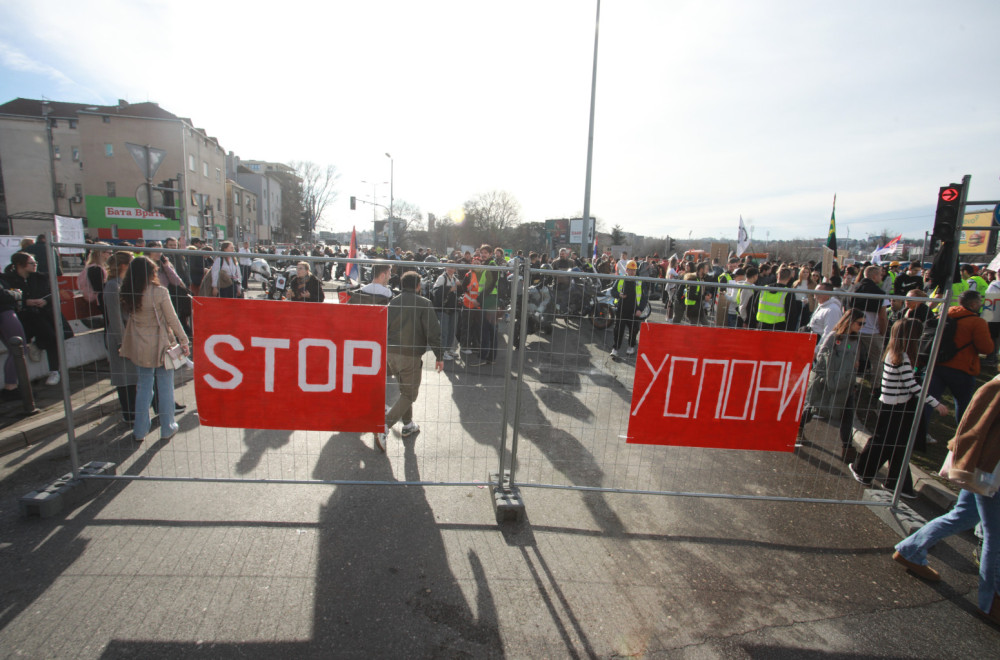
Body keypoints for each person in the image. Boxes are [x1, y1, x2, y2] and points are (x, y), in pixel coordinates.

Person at [892, 374, 1000, 624]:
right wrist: (966, 461)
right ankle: (992, 602)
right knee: (995, 534)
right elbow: (975, 419)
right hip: (988, 471)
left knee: (965, 516)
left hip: (986, 469)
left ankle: (911, 550)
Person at [850, 319, 949, 498]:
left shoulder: (896, 353)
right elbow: (912, 386)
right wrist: (936, 403)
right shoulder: (901, 358)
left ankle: (894, 482)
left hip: (895, 404)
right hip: (895, 406)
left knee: (894, 444)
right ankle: (866, 471)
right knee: (887, 443)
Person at [118, 256, 190, 443]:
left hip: (139, 345)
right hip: (161, 344)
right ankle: (167, 426)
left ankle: (140, 430)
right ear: (150, 273)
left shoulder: (128, 292)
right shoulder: (159, 292)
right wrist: (183, 340)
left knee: (143, 388)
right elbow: (172, 318)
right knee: (165, 387)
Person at [375, 271, 444, 452]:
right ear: (418, 286)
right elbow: (433, 332)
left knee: (404, 390)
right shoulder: (424, 303)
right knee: (410, 394)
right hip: (410, 354)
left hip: (391, 352)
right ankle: (384, 425)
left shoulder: (393, 302)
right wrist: (439, 356)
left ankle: (408, 424)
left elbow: (383, 326)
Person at [801, 309, 865, 462]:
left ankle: (847, 448)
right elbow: (821, 355)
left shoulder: (856, 339)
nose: (861, 327)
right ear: (849, 321)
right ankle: (799, 426)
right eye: (859, 323)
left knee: (848, 413)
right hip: (828, 381)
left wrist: (854, 365)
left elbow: (855, 359)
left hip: (846, 383)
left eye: (863, 324)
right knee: (814, 406)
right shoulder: (834, 336)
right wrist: (829, 372)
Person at [928, 289, 994, 423]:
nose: (981, 304)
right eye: (979, 301)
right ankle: (962, 434)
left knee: (929, 401)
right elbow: (986, 348)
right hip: (962, 367)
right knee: (964, 404)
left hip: (937, 363)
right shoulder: (977, 322)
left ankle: (919, 431)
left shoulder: (944, 314)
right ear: (973, 304)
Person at [3, 252, 65, 386]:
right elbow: (7, 297)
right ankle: (16, 384)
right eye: (31, 263)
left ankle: (54, 370)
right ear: (20, 265)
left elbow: (53, 294)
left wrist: (44, 301)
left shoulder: (41, 277)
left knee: (51, 336)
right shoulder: (7, 279)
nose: (35, 265)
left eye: (35, 262)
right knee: (19, 346)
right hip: (21, 316)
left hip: (39, 314)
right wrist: (25, 302)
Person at [102, 251, 138, 422]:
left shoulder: (124, 283)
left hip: (131, 335)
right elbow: (115, 317)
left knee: (133, 376)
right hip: (121, 337)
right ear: (123, 265)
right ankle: (129, 413)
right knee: (124, 377)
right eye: (131, 262)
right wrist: (122, 341)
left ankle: (134, 411)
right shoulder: (112, 285)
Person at [610, 260, 647, 357]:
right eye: (630, 270)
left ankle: (631, 346)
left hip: (634, 310)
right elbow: (613, 291)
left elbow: (644, 297)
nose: (632, 272)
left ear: (636, 271)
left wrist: (640, 309)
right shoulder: (621, 279)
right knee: (618, 329)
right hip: (621, 309)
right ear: (626, 270)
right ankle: (615, 348)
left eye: (633, 270)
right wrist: (619, 295)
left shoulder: (640, 281)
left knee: (634, 329)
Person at [0, 275, 25, 400]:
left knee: (17, 349)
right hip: (4, 312)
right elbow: (2, 295)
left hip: (5, 312)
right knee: (18, 349)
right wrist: (16, 294)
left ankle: (11, 386)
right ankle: (10, 387)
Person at [432, 262, 461, 360]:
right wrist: (449, 289)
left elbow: (459, 290)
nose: (450, 269)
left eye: (452, 267)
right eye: (449, 267)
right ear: (445, 268)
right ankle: (442, 352)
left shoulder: (454, 278)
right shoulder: (442, 278)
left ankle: (448, 349)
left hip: (452, 308)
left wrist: (460, 286)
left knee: (452, 330)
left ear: (455, 269)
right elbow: (435, 291)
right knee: (444, 331)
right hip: (443, 308)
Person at [78, 242, 111, 310]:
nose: (111, 255)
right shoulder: (95, 268)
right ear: (101, 253)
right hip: (100, 300)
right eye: (109, 253)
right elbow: (99, 287)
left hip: (99, 299)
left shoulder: (94, 267)